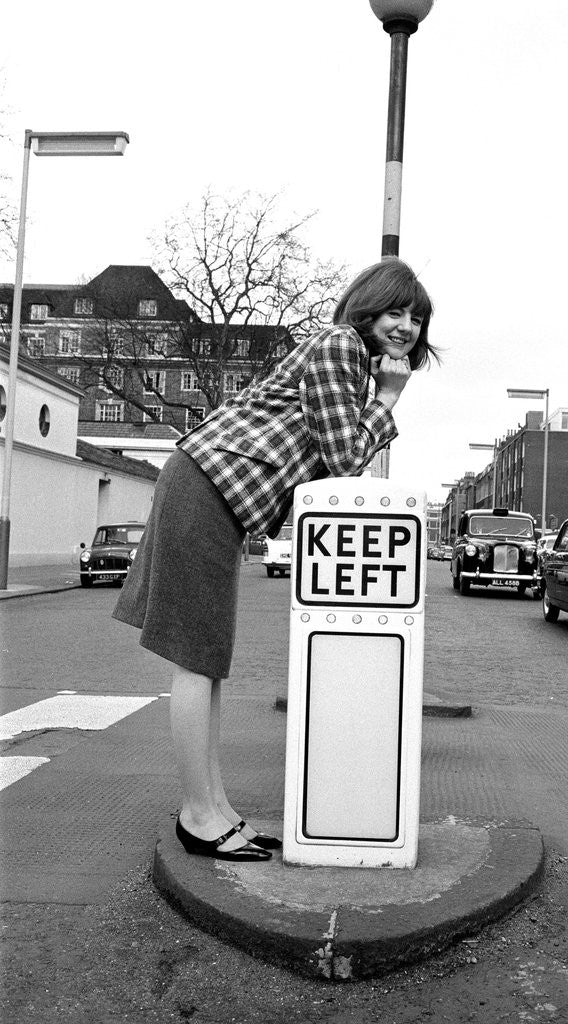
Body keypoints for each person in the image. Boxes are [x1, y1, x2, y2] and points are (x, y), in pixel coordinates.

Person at [113, 258, 436, 863]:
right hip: (210, 483)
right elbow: (344, 459)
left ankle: (213, 807)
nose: (406, 327)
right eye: (396, 311)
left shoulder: (346, 362)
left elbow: (331, 453)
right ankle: (199, 813)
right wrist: (389, 398)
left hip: (214, 488)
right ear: (367, 307)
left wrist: (379, 397)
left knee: (206, 658)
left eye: (416, 318)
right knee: (195, 654)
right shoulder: (341, 346)